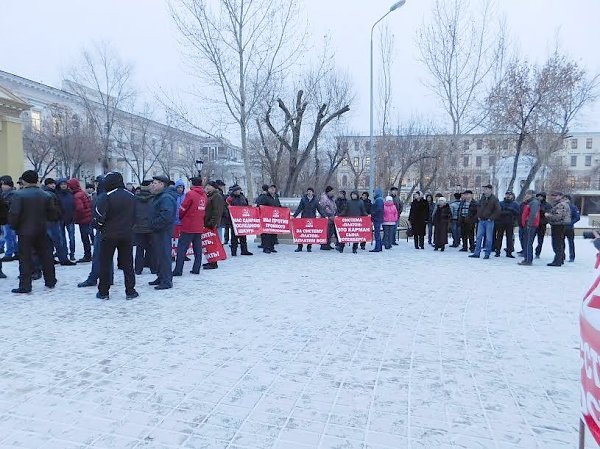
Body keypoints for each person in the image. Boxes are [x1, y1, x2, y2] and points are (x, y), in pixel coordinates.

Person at [7, 170, 57, 294]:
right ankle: (50, 280)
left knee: (25, 258)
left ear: (24, 180)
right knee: (46, 256)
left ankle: (25, 285)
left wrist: (14, 226)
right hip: (42, 229)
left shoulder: (19, 195)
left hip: (25, 230)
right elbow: (52, 214)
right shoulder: (46, 195)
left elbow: (14, 214)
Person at [94, 172, 137, 300]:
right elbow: (135, 215)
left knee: (105, 263)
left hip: (109, 235)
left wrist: (100, 227)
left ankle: (103, 292)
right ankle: (130, 291)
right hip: (127, 234)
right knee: (128, 264)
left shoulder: (106, 196)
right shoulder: (131, 196)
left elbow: (99, 216)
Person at [172, 177, 207, 276]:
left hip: (188, 225)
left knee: (182, 248)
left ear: (193, 184)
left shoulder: (190, 194)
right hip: (199, 225)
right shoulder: (204, 195)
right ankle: (196, 269)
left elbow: (183, 208)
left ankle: (178, 270)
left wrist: (181, 217)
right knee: (197, 249)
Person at [148, 175, 177, 289]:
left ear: (161, 184)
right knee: (159, 256)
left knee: (164, 256)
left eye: (155, 183)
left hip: (162, 231)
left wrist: (154, 224)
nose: (153, 185)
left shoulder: (165, 198)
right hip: (158, 231)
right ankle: (161, 276)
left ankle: (166, 281)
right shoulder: (160, 196)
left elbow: (166, 216)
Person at [469, 184, 501, 259]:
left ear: (490, 190)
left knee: (488, 238)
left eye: (486, 189)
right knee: (478, 237)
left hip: (489, 221)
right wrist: (478, 216)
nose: (484, 191)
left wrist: (491, 218)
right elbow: (479, 207)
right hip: (481, 220)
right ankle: (477, 253)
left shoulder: (494, 199)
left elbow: (498, 210)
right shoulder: (482, 198)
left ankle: (487, 253)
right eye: (484, 189)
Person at [67, 178, 93, 263]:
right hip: (88, 217)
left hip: (84, 220)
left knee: (85, 238)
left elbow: (79, 209)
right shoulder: (82, 193)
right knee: (88, 237)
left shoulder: (77, 196)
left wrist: (75, 218)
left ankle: (87, 255)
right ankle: (89, 254)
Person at [133, 180, 155, 275]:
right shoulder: (154, 198)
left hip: (138, 227)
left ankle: (138, 269)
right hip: (151, 227)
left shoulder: (135, 199)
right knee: (151, 248)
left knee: (139, 249)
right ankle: (153, 268)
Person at [545, 191, 571, 267]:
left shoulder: (561, 205)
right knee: (560, 243)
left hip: (558, 225)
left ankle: (558, 261)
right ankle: (560, 259)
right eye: (552, 195)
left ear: (560, 196)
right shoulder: (562, 204)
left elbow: (558, 216)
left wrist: (548, 215)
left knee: (557, 243)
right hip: (560, 225)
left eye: (555, 196)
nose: (553, 197)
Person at [204, 181, 226, 267]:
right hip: (207, 223)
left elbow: (217, 212)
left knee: (212, 244)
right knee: (209, 244)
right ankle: (211, 261)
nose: (207, 187)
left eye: (209, 186)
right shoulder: (209, 195)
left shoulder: (217, 196)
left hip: (211, 224)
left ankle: (214, 263)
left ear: (214, 187)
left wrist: (212, 223)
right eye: (207, 185)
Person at [227, 185, 253, 256]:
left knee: (243, 236)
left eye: (239, 190)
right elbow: (227, 208)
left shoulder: (243, 197)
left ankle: (244, 250)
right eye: (237, 190)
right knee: (234, 236)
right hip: (234, 220)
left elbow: (246, 206)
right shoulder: (230, 198)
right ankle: (234, 251)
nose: (238, 191)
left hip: (242, 219)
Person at [293, 187, 320, 252]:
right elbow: (299, 208)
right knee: (301, 233)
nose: (309, 192)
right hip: (304, 218)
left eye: (310, 191)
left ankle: (309, 247)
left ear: (313, 193)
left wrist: (325, 216)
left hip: (312, 219)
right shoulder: (303, 199)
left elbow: (320, 209)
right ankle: (299, 247)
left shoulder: (316, 200)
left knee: (310, 233)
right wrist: (294, 216)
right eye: (308, 191)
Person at [493, 191, 520, 258]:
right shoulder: (500, 203)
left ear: (512, 196)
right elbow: (498, 212)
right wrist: (508, 212)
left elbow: (518, 213)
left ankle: (509, 252)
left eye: (510, 195)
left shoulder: (515, 204)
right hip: (500, 222)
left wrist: (512, 210)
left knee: (510, 238)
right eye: (507, 194)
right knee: (499, 237)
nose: (508, 196)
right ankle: (497, 251)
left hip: (510, 223)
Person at [518, 190, 540, 266]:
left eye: (529, 194)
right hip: (527, 225)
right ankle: (526, 258)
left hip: (530, 225)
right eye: (526, 194)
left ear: (532, 195)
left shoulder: (534, 203)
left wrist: (529, 224)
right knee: (526, 242)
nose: (527, 195)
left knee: (528, 243)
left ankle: (528, 260)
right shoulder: (529, 202)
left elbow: (533, 214)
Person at [256, 184, 278, 254]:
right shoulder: (265, 197)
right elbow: (259, 205)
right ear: (268, 190)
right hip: (266, 218)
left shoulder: (275, 198)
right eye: (271, 189)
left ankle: (271, 247)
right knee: (266, 234)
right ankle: (266, 248)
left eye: (274, 189)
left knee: (273, 234)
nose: (272, 190)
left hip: (273, 218)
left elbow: (278, 206)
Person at [0, 176, 18, 262]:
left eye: (4, 184)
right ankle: (16, 251)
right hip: (5, 218)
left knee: (9, 236)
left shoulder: (12, 194)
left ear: (9, 186)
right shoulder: (4, 194)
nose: (2, 186)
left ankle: (9, 253)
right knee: (10, 236)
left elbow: (12, 207)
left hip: (9, 218)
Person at [319, 186, 337, 250]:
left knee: (330, 232)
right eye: (332, 191)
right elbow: (325, 208)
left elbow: (334, 207)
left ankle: (328, 244)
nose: (333, 193)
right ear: (328, 192)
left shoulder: (332, 198)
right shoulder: (324, 199)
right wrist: (331, 215)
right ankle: (324, 245)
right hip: (326, 217)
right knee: (326, 232)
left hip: (332, 217)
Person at [534, 192, 552, 259]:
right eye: (538, 196)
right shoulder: (535, 203)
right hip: (534, 223)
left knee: (540, 240)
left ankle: (537, 252)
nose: (539, 198)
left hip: (542, 224)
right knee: (530, 239)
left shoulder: (547, 205)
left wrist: (542, 211)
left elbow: (548, 214)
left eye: (540, 196)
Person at [564, 195, 580, 262]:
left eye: (565, 199)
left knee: (571, 242)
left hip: (569, 228)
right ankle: (562, 255)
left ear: (569, 200)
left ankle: (572, 257)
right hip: (561, 227)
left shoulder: (573, 207)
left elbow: (577, 217)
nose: (564, 200)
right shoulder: (561, 207)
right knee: (561, 242)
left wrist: (570, 223)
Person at [370, 188, 384, 252]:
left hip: (377, 218)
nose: (373, 194)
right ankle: (379, 247)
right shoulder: (378, 199)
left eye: (374, 192)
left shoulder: (378, 200)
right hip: (378, 218)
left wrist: (373, 213)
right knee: (377, 233)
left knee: (377, 233)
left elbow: (379, 209)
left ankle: (377, 248)